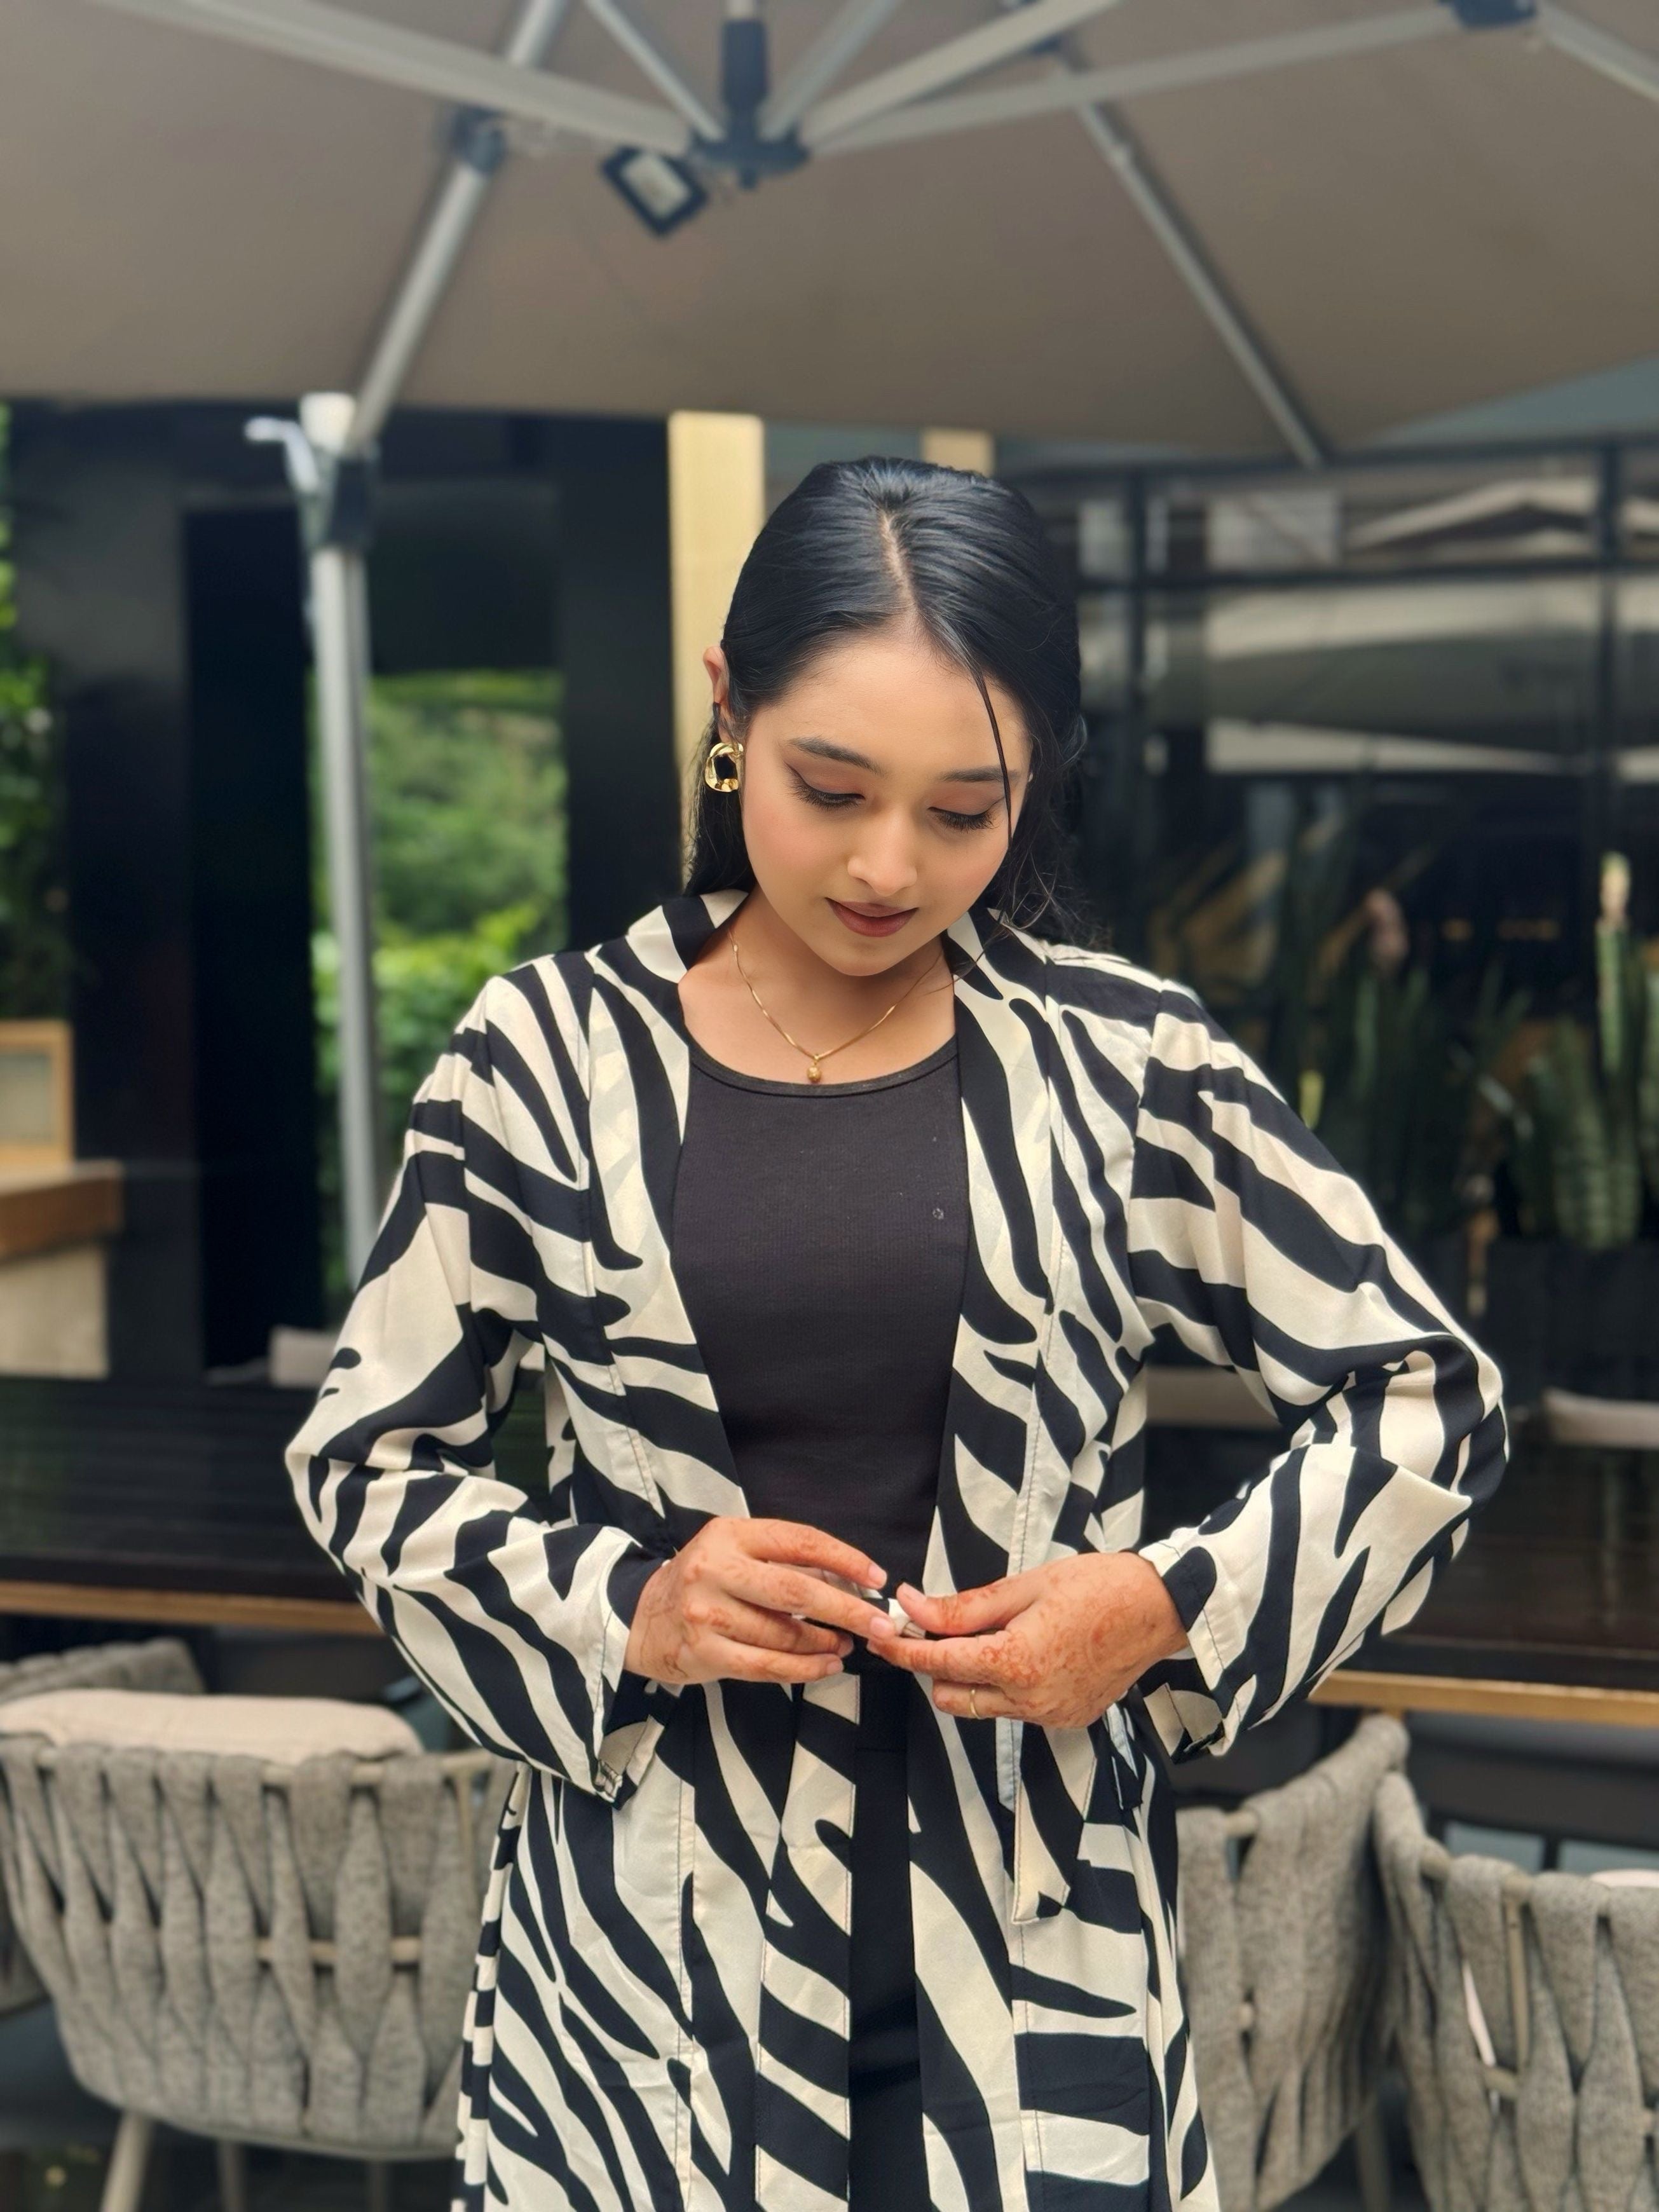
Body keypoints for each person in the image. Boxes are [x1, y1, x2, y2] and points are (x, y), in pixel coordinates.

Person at [285, 456, 1506, 2212]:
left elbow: (1427, 1405)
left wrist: (1159, 1607)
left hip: (1035, 1950)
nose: (884, 864)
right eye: (829, 785)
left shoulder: (1124, 1060)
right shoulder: (542, 1060)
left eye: (964, 808)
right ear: (729, 707)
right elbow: (369, 1461)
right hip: (649, 1971)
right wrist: (623, 1602)